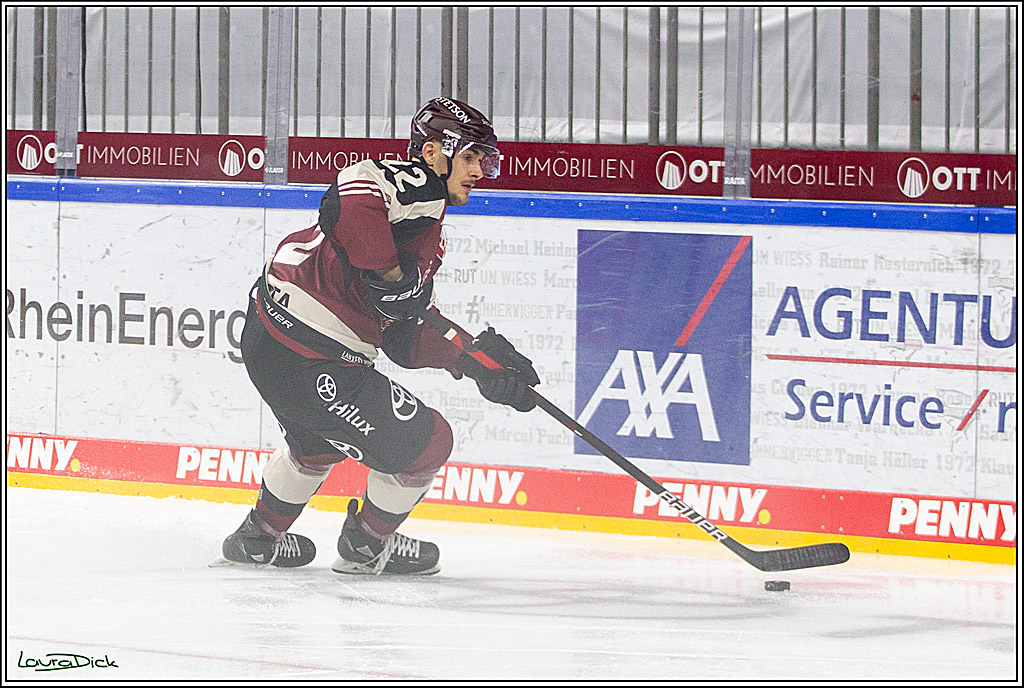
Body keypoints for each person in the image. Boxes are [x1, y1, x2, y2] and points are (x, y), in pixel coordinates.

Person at [218, 97, 541, 575]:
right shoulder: (420, 190)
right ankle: (366, 546)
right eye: (469, 157)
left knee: (316, 445)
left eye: (483, 159)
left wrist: (472, 360)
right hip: (314, 357)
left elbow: (402, 336)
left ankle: (257, 538)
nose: (478, 171)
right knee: (430, 442)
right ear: (432, 153)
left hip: (271, 337)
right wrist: (389, 275)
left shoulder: (423, 225)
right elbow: (350, 190)